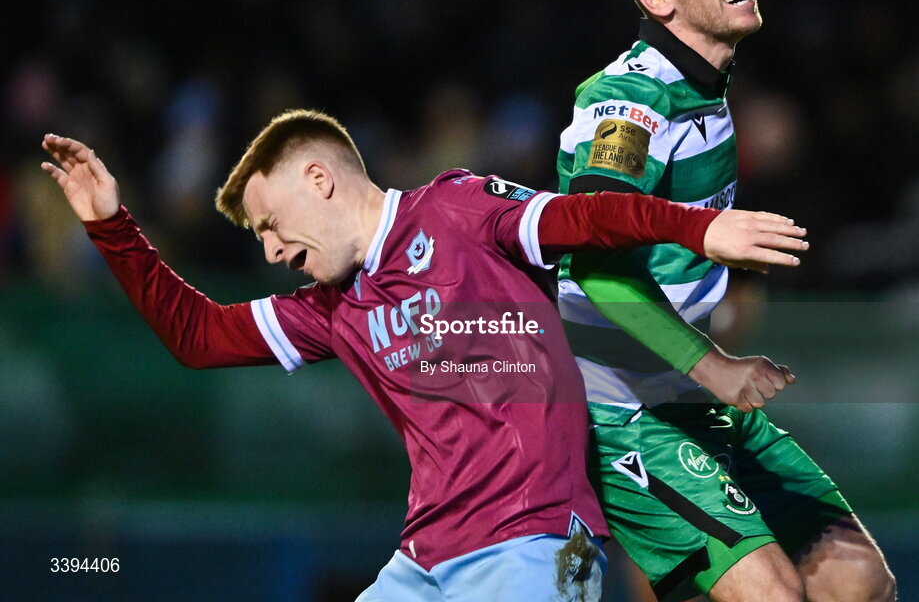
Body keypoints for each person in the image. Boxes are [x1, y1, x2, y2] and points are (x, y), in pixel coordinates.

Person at [41, 107, 809, 602]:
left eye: (270, 224)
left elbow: (587, 218)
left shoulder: (460, 210)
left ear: (319, 179)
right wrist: (112, 228)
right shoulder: (332, 307)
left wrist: (695, 229)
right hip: (421, 565)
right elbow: (198, 337)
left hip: (534, 546)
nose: (271, 250)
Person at [556, 0, 897, 602]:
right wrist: (708, 363)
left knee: (856, 581)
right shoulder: (629, 100)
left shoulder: (707, 89)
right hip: (621, 410)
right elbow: (592, 257)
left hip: (687, 399)